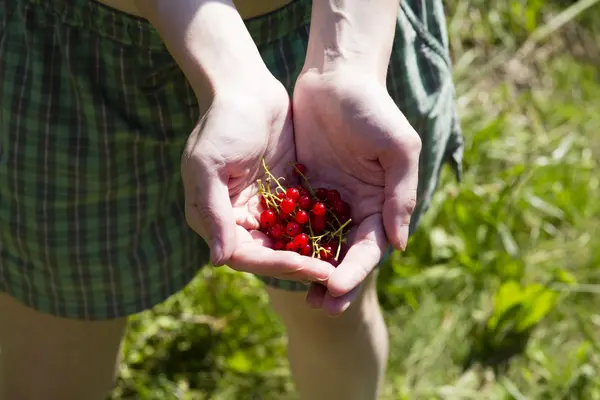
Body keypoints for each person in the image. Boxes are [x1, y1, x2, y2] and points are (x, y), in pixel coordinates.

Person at [0, 0, 463, 399]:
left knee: (335, 319)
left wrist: (347, 61)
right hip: (72, 52)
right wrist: (229, 72)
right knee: (54, 340)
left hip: (328, 31)